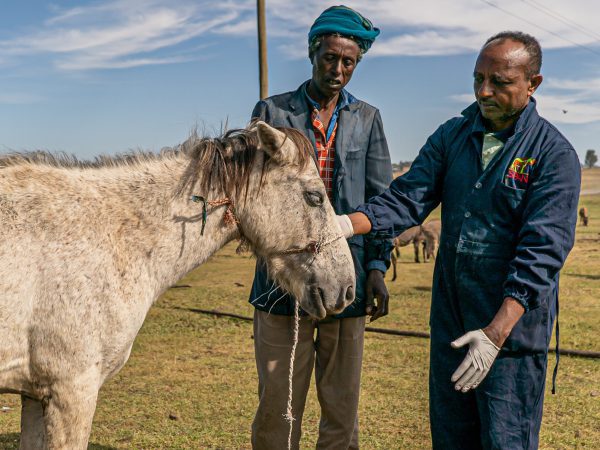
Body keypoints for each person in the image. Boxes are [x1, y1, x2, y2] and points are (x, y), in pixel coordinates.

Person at [339, 31, 581, 449]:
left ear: (532, 83)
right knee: (451, 440)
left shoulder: (552, 154)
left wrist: (495, 334)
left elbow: (542, 253)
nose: (484, 91)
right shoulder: (453, 136)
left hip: (509, 340)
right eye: (478, 79)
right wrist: (343, 225)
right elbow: (407, 197)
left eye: (500, 82)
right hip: (452, 326)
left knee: (506, 441)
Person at [248, 5, 393, 449]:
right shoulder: (272, 112)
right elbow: (252, 193)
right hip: (282, 283)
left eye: (348, 62)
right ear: (313, 53)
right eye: (330, 57)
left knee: (341, 407)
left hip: (344, 278)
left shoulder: (367, 119)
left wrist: (377, 268)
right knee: (278, 407)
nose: (338, 69)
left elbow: (380, 201)